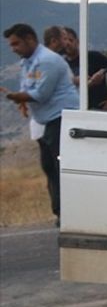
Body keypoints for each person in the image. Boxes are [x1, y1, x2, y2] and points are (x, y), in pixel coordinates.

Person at [3, 23, 80, 220]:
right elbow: (27, 86)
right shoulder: (27, 62)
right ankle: (59, 211)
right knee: (49, 167)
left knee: (59, 166)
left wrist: (17, 97)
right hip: (46, 120)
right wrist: (21, 98)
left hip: (61, 117)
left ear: (30, 39)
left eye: (16, 44)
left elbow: (41, 93)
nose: (14, 49)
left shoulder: (47, 60)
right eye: (11, 45)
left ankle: (69, 212)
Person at [61, 27, 107, 110]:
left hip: (99, 108)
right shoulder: (62, 64)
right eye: (65, 41)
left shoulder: (93, 57)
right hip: (76, 110)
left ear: (77, 42)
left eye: (70, 40)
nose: (68, 43)